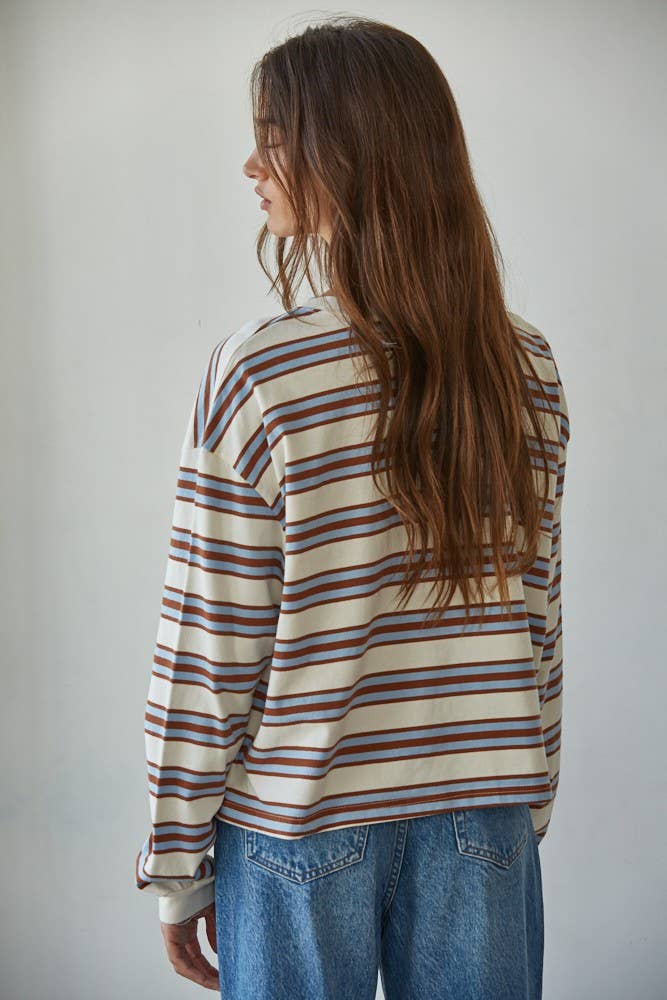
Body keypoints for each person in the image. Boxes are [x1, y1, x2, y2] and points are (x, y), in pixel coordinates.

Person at [134, 15, 570, 1000]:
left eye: (273, 139)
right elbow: (539, 618)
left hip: (300, 821)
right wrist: (524, 796)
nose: (251, 166)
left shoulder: (261, 373)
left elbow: (210, 642)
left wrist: (176, 866)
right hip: (483, 812)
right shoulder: (526, 366)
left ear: (346, 156)